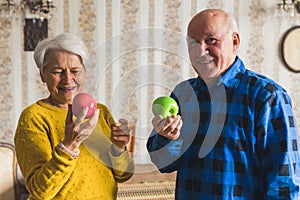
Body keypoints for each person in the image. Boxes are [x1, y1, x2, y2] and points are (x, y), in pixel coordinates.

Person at [147, 9, 300, 199]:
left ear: (234, 42)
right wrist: (165, 138)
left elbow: (284, 186)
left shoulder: (268, 96)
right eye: (193, 42)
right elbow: (164, 163)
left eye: (211, 40)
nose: (200, 50)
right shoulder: (183, 94)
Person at [14, 33, 134, 200]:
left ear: (84, 72)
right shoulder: (33, 117)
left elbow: (123, 175)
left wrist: (118, 148)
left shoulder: (101, 112)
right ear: (42, 75)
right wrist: (69, 146)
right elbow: (40, 192)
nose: (68, 79)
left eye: (75, 71)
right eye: (57, 72)